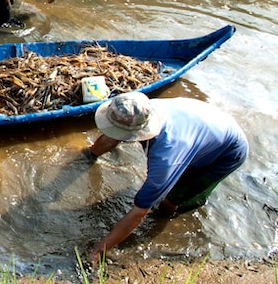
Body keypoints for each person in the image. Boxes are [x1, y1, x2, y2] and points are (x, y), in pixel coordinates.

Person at [85, 92, 248, 264]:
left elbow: (139, 213)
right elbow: (114, 134)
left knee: (171, 201)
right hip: (204, 126)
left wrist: (100, 248)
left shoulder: (166, 158)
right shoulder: (137, 109)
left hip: (227, 152)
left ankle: (170, 213)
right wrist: (88, 156)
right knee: (165, 182)